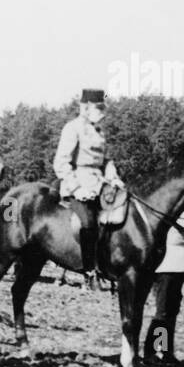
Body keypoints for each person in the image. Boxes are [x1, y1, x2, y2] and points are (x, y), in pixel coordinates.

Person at [53, 89, 120, 284]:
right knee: (88, 223)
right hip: (79, 183)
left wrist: (113, 177)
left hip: (101, 184)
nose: (102, 112)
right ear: (85, 107)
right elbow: (61, 162)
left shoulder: (99, 131)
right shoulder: (72, 128)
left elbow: (106, 160)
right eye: (98, 107)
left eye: (103, 107)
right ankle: (90, 270)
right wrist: (76, 188)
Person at [145, 211, 184, 365]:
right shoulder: (178, 214)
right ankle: (152, 351)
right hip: (166, 269)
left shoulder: (181, 215)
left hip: (177, 270)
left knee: (171, 313)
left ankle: (166, 351)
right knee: (162, 312)